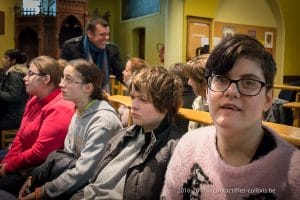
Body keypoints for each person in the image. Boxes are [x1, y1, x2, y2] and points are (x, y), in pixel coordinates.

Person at [161, 34, 300, 199]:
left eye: (248, 82)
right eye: (221, 79)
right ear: (207, 90)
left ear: (268, 99)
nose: (231, 92)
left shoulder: (293, 173)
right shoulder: (187, 147)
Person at [70, 66, 184, 200]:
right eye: (132, 97)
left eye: (143, 99)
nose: (133, 105)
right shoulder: (124, 134)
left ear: (165, 105)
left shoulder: (176, 149)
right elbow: (92, 184)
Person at [18, 59, 122, 200]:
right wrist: (34, 179)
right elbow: (65, 157)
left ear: (88, 88)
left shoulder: (103, 122)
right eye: (62, 78)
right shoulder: (79, 110)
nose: (61, 84)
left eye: (68, 80)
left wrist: (41, 192)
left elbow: (85, 172)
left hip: (95, 186)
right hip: (76, 179)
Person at [0, 56, 75, 196]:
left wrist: (9, 167)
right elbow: (20, 136)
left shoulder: (61, 107)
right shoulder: (34, 99)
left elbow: (40, 152)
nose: (24, 78)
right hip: (24, 160)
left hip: (37, 169)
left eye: (30, 74)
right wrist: (7, 162)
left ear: (46, 80)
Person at [60, 16, 124, 94]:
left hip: (102, 93)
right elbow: (61, 74)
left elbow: (121, 74)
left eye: (108, 34)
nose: (107, 38)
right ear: (90, 34)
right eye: (102, 35)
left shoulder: (112, 49)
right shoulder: (70, 47)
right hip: (75, 94)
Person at [0, 49, 28, 133]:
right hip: (14, 114)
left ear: (13, 61)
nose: (2, 60)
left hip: (15, 117)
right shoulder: (13, 73)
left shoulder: (14, 75)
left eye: (6, 58)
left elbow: (14, 97)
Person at [118, 57, 149, 127]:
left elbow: (125, 121)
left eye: (126, 70)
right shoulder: (130, 90)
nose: (123, 72)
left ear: (134, 74)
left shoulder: (137, 91)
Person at [186, 54, 209, 130]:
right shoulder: (198, 102)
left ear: (203, 82)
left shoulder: (219, 108)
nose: (189, 82)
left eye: (191, 79)